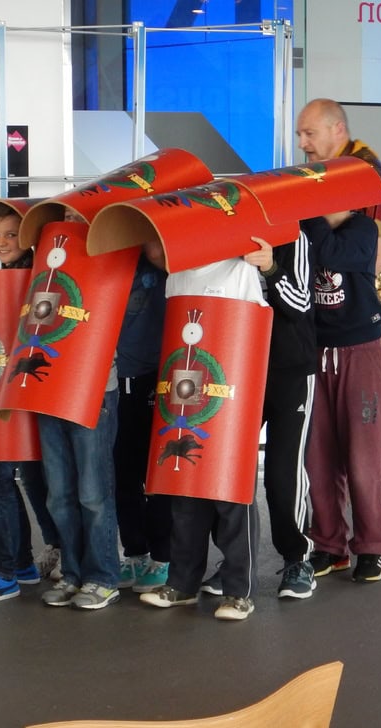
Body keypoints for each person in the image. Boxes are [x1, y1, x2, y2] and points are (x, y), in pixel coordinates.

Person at [138, 240, 269, 621]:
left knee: (232, 495)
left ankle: (239, 591)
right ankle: (182, 584)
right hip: (185, 393)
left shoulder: (239, 268)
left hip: (230, 395)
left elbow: (255, 329)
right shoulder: (176, 274)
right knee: (186, 491)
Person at [296, 98, 381, 583]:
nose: (302, 145)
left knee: (362, 459)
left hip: (359, 350)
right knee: (318, 459)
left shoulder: (364, 226)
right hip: (315, 352)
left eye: (309, 134)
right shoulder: (308, 224)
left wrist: (309, 214)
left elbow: (345, 255)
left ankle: (371, 545)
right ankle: (328, 544)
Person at [200, 230, 319, 600]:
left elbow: (301, 303)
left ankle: (298, 559)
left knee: (283, 475)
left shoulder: (293, 236)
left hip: (289, 370)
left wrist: (270, 267)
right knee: (230, 473)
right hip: (235, 367)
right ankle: (236, 563)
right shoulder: (223, 238)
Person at [0, 203, 62, 604]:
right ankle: (18, 562)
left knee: (6, 483)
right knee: (6, 483)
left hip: (23, 397)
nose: (1, 243)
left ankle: (6, 571)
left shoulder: (39, 280)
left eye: (10, 234)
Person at [39, 208, 121, 611]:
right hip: (49, 392)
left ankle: (103, 577)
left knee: (93, 493)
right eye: (68, 222)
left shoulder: (110, 265)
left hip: (93, 393)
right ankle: (72, 574)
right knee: (60, 495)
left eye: (82, 222)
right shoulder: (47, 271)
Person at [114, 254, 172, 594]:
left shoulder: (163, 265)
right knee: (123, 472)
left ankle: (163, 556)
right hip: (116, 381)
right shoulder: (110, 263)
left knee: (158, 474)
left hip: (158, 376)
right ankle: (135, 552)